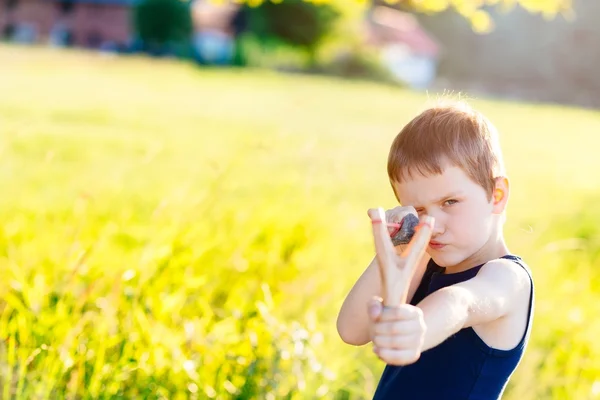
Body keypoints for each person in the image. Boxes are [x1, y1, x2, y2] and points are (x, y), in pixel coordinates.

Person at [336, 100, 535, 399]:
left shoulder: (508, 278)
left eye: (449, 203)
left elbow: (461, 302)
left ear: (497, 195)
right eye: (418, 209)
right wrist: (397, 249)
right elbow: (351, 331)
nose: (433, 225)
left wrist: (419, 327)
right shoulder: (423, 260)